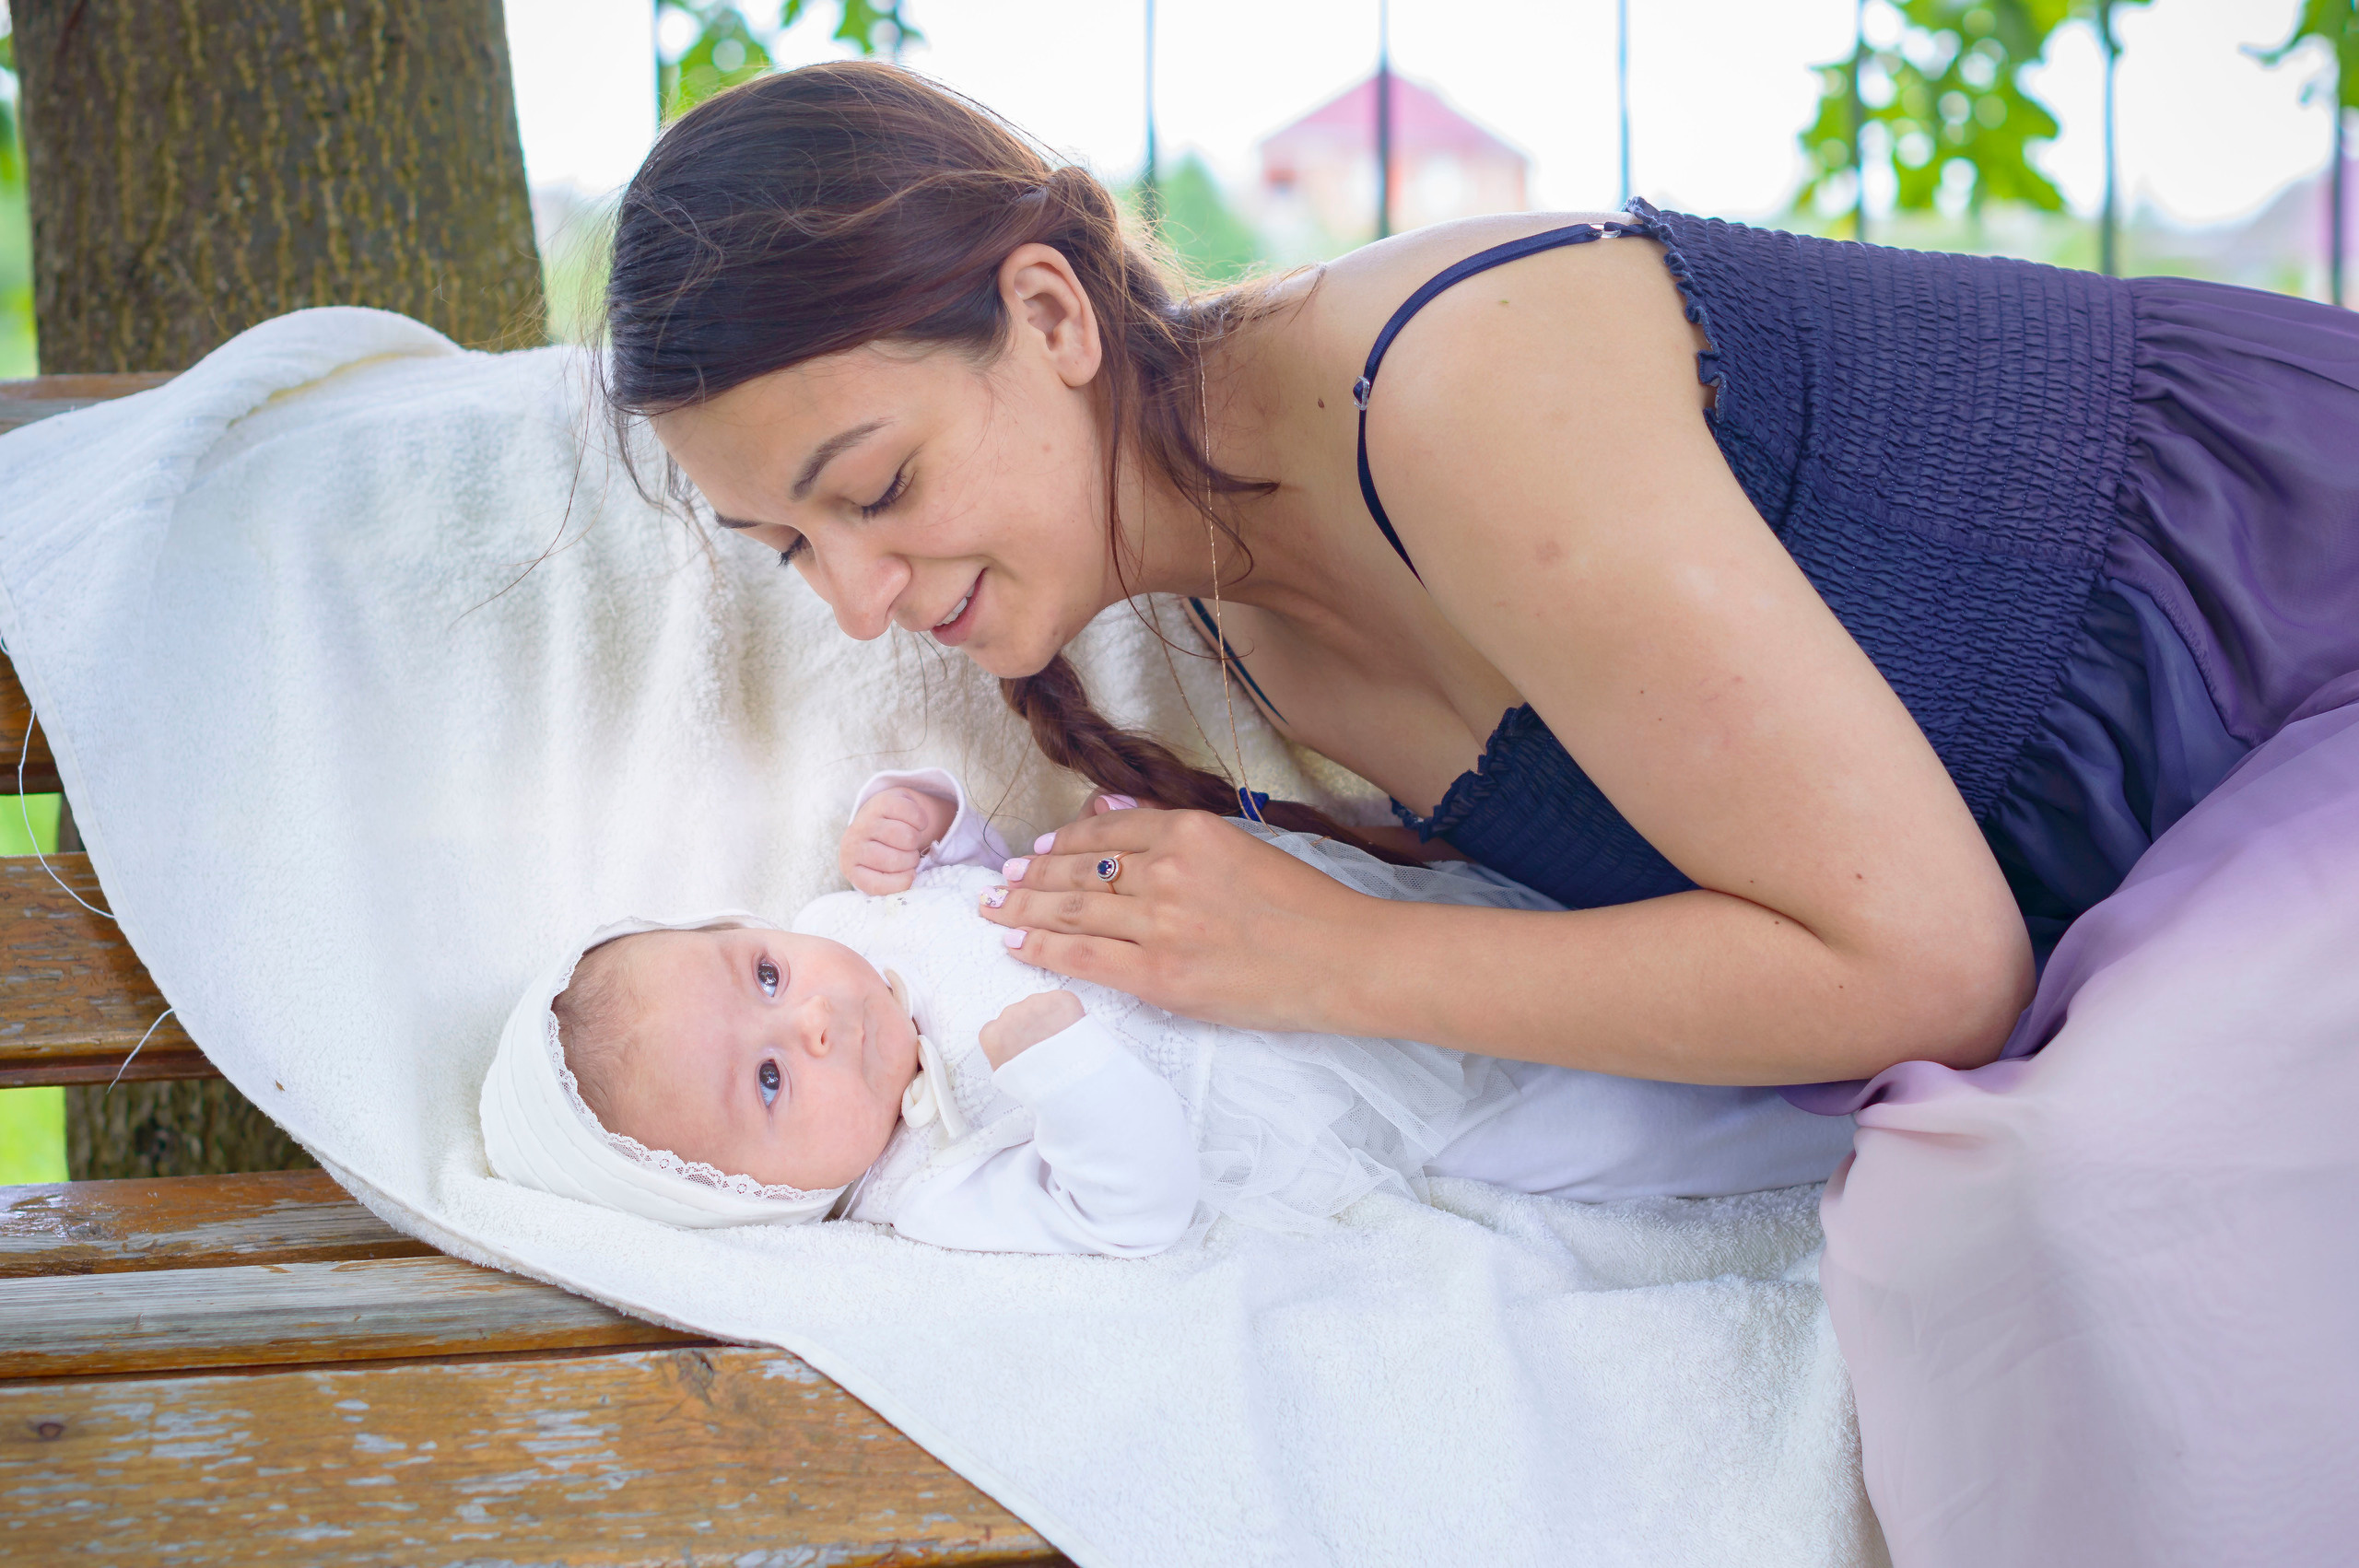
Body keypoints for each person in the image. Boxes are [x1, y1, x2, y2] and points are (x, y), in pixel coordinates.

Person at [598, 62, 2359, 1565]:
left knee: (2072, 1192)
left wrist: (1340, 961)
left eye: (878, 489)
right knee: (1960, 1230)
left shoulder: (1442, 390)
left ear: (1051, 316)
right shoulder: (1256, 645)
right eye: (787, 550)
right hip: (2167, 863)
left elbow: (1929, 965)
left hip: (2300, 633)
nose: (854, 600)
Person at [479, 769, 1854, 1252]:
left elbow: (992, 862)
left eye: (762, 976)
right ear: (768, 1202)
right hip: (1346, 1108)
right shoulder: (922, 1188)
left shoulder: (856, 927)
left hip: (1331, 920)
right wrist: (1045, 1050)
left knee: (1552, 940)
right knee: (1620, 1126)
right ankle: (1845, 1127)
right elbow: (1136, 1208)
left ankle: (1832, 990)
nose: (813, 1023)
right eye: (770, 1086)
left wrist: (927, 814)